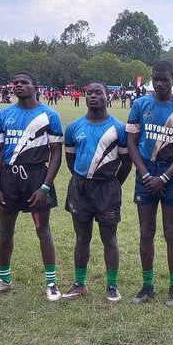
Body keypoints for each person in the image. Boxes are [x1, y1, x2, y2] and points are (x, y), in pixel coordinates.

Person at [0, 71, 64, 301]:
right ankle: (3, 279)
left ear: (35, 86)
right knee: (5, 230)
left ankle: (51, 282)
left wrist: (45, 187)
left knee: (43, 229)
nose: (18, 85)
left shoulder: (50, 115)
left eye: (23, 82)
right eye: (15, 82)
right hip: (8, 177)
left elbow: (56, 155)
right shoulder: (4, 115)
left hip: (36, 176)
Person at [126, 61, 173, 307]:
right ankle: (147, 286)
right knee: (146, 231)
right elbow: (132, 142)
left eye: (164, 79)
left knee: (171, 231)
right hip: (145, 173)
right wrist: (145, 175)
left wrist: (165, 177)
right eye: (156, 79)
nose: (159, 83)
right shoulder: (140, 104)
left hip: (171, 175)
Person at [61, 82, 131, 303]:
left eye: (98, 93)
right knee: (82, 238)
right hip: (80, 189)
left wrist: (112, 184)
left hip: (107, 189)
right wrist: (83, 180)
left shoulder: (119, 128)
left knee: (109, 238)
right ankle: (80, 284)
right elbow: (71, 161)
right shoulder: (73, 127)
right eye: (88, 92)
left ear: (107, 96)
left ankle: (112, 285)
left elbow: (126, 163)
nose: (92, 96)